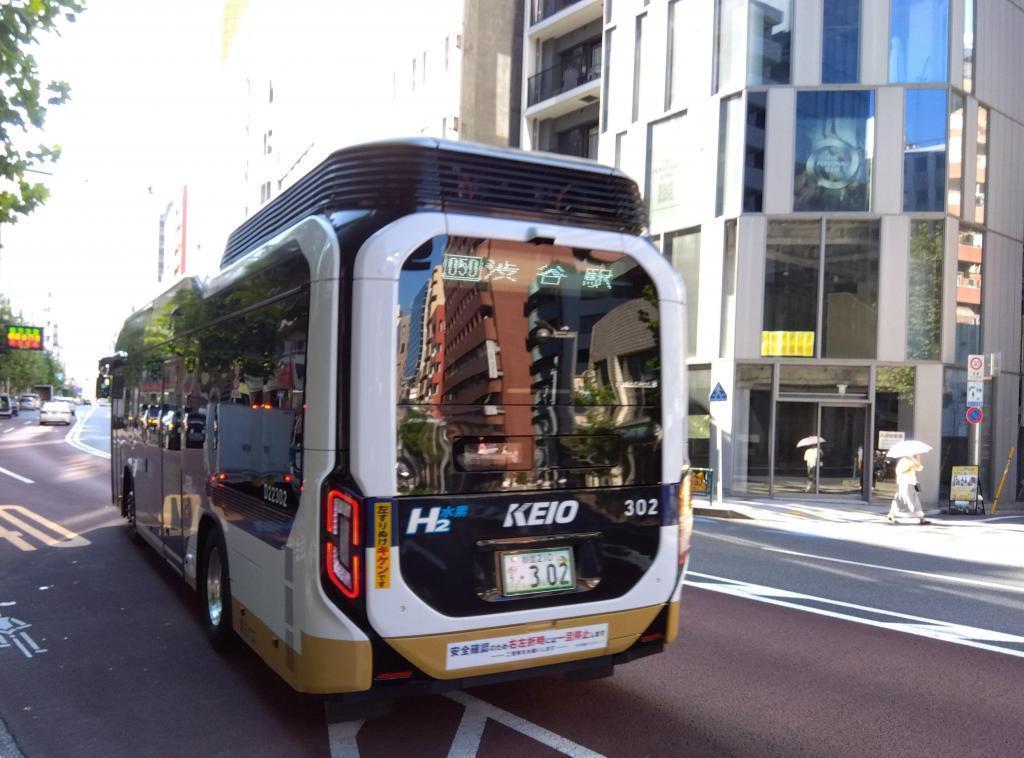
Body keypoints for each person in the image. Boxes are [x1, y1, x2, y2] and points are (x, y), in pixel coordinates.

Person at [887, 454, 930, 524]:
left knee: (899, 500)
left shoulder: (904, 461)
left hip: (905, 483)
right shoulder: (907, 461)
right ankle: (921, 518)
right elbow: (919, 467)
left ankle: (891, 515)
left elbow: (918, 468)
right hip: (907, 483)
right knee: (914, 500)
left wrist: (916, 459)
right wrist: (917, 458)